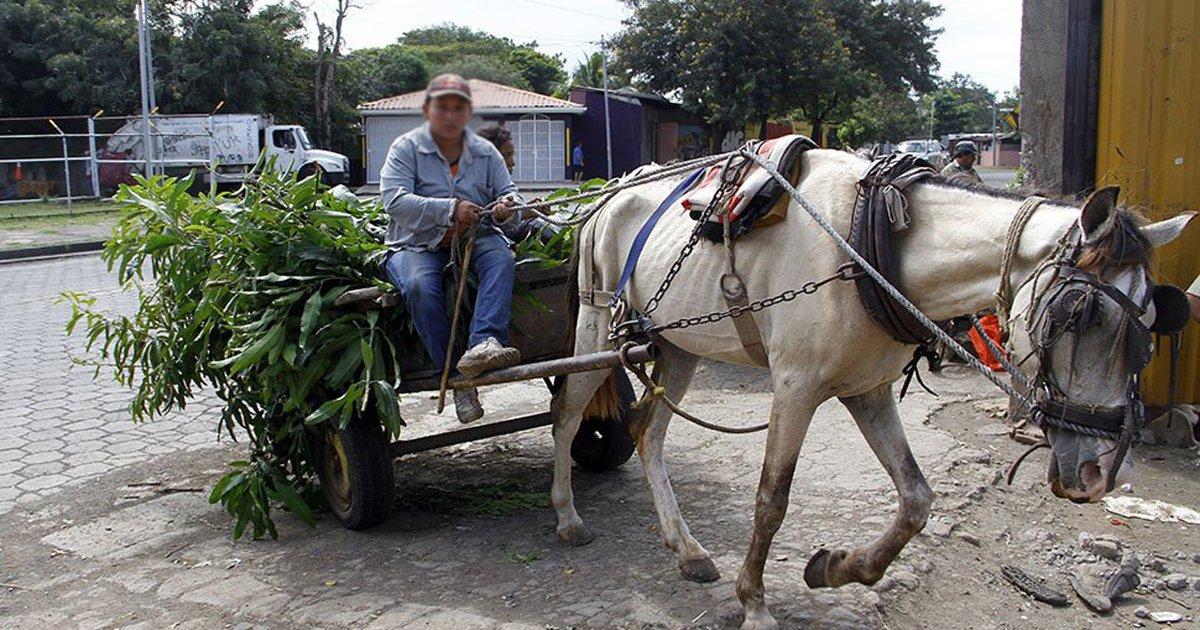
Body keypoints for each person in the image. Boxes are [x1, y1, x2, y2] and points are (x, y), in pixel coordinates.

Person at [379, 74, 523, 424]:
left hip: (476, 237)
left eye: (458, 108)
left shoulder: (485, 153)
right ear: (429, 110)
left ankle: (484, 344)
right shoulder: (405, 149)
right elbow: (394, 200)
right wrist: (449, 209)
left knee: (501, 258)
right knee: (417, 287)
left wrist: (507, 206)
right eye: (442, 107)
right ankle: (456, 376)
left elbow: (511, 194)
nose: (450, 115)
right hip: (416, 243)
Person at [477, 123, 561, 244]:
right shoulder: (472, 182)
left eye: (512, 155)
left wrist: (525, 210)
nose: (512, 162)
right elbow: (481, 221)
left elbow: (509, 197)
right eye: (504, 156)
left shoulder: (503, 182)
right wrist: (517, 213)